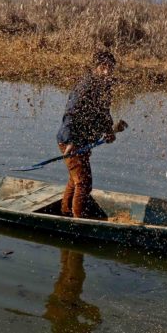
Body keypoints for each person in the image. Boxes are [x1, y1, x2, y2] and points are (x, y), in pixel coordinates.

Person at [55, 50, 117, 219]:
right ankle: (78, 221)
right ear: (99, 67)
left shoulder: (104, 86)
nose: (109, 72)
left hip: (84, 140)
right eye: (107, 67)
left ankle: (66, 212)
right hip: (72, 140)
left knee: (75, 179)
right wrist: (71, 141)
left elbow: (103, 111)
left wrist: (109, 130)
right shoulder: (85, 85)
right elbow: (71, 113)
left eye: (111, 68)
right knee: (83, 183)